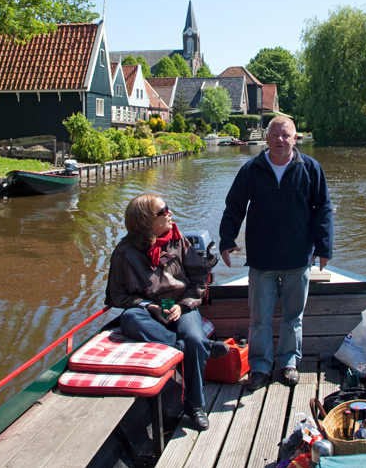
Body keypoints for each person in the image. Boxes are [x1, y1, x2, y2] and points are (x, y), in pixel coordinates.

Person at [218, 116, 334, 391]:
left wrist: (324, 247)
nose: (280, 140)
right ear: (266, 138)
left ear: (296, 139)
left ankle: (288, 364)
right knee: (259, 319)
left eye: (286, 135)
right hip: (262, 259)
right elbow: (234, 206)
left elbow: (324, 209)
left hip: (298, 258)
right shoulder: (251, 170)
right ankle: (259, 367)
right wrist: (226, 240)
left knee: (294, 317)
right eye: (275, 135)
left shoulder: (311, 169)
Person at [105, 193, 230, 431]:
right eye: (164, 211)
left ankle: (195, 406)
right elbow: (117, 296)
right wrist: (149, 306)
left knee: (193, 337)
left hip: (181, 306)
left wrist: (180, 306)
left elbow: (198, 279)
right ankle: (193, 346)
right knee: (130, 318)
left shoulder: (178, 240)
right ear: (146, 221)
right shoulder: (123, 253)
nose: (170, 213)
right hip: (147, 313)